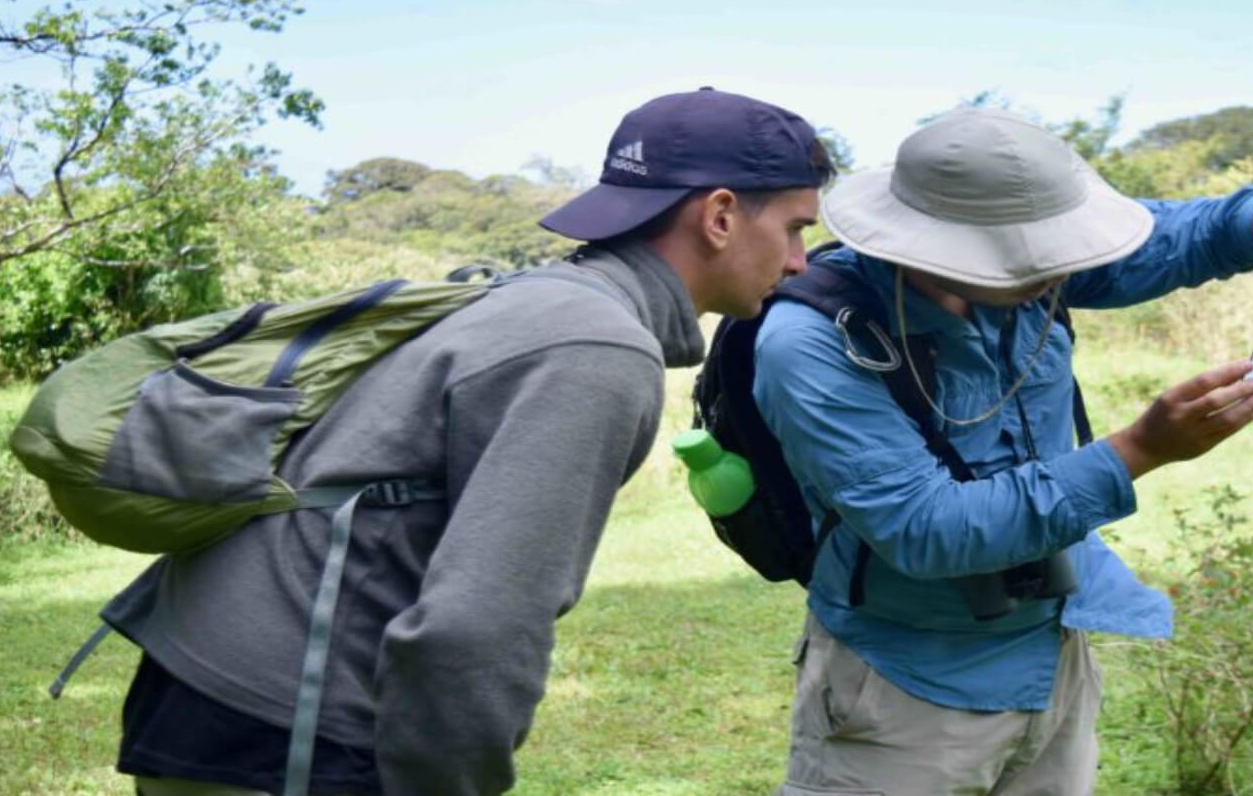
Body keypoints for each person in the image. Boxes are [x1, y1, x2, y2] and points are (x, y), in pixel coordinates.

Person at [99, 87, 833, 796]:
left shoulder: (530, 299)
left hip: (211, 689)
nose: (802, 259)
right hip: (290, 732)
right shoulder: (597, 348)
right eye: (797, 227)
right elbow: (478, 627)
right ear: (721, 215)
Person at [755, 107, 1253, 795]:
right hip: (899, 685)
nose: (1057, 270)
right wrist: (1141, 449)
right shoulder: (813, 339)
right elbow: (927, 530)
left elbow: (1190, 235)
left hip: (1051, 653)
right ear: (937, 245)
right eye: (1030, 258)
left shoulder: (1042, 275)